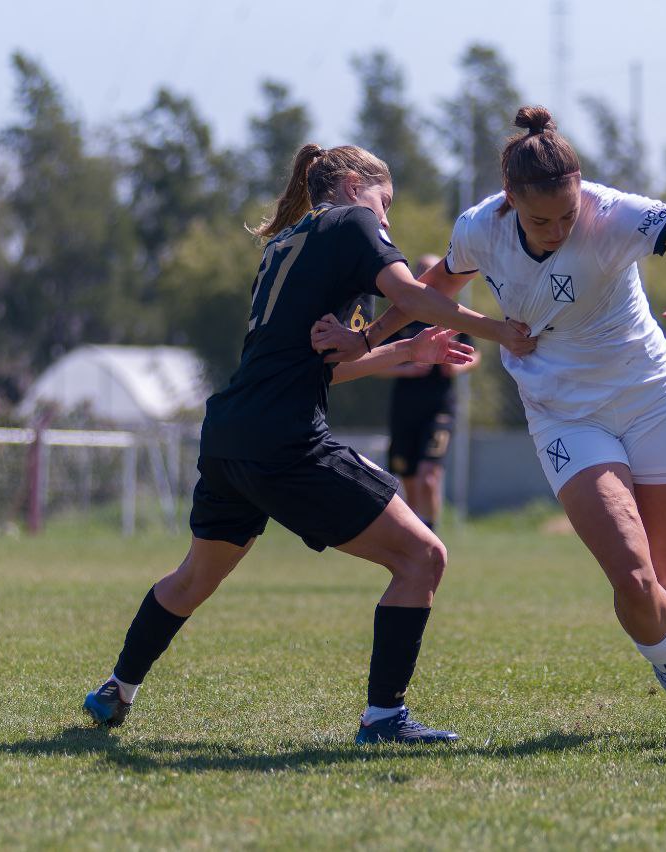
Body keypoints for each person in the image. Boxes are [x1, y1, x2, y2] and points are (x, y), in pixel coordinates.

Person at [82, 143, 534, 743]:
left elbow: (319, 364)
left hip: (231, 433)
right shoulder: (351, 222)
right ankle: (384, 719)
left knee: (194, 578)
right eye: (385, 201)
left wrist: (405, 349)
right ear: (352, 185)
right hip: (284, 440)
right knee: (423, 558)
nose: (387, 219)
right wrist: (495, 329)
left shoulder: (288, 244)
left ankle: (117, 690)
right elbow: (413, 294)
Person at [318, 107, 666, 702]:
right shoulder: (478, 229)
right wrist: (369, 337)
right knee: (633, 572)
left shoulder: (612, 214)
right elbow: (432, 290)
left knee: (665, 579)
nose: (559, 230)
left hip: (650, 397)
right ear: (509, 198)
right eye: (542, 220)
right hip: (564, 413)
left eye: (568, 215)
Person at [379, 254, 481, 530]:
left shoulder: (452, 314)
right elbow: (372, 360)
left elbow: (476, 354)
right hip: (405, 407)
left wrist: (457, 368)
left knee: (429, 476)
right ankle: (416, 536)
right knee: (410, 478)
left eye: (431, 270)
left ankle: (431, 538)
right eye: (421, 271)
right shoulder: (400, 315)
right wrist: (405, 368)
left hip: (440, 407)